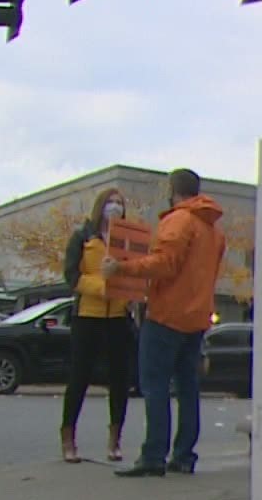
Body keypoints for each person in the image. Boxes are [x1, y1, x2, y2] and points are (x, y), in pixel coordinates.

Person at [104, 168, 225, 478]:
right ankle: (184, 455)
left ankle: (153, 455)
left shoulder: (178, 220)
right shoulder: (214, 231)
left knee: (155, 386)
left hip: (167, 314)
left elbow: (164, 263)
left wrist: (122, 267)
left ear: (174, 191)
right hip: (197, 317)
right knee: (188, 387)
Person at [60, 187, 135, 463]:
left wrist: (129, 291)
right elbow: (72, 275)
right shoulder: (83, 237)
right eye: (110, 202)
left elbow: (134, 269)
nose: (115, 207)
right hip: (87, 316)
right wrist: (100, 287)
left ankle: (115, 439)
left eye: (119, 203)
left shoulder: (125, 239)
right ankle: (69, 438)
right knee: (79, 376)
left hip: (117, 317)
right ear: (100, 206)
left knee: (119, 379)